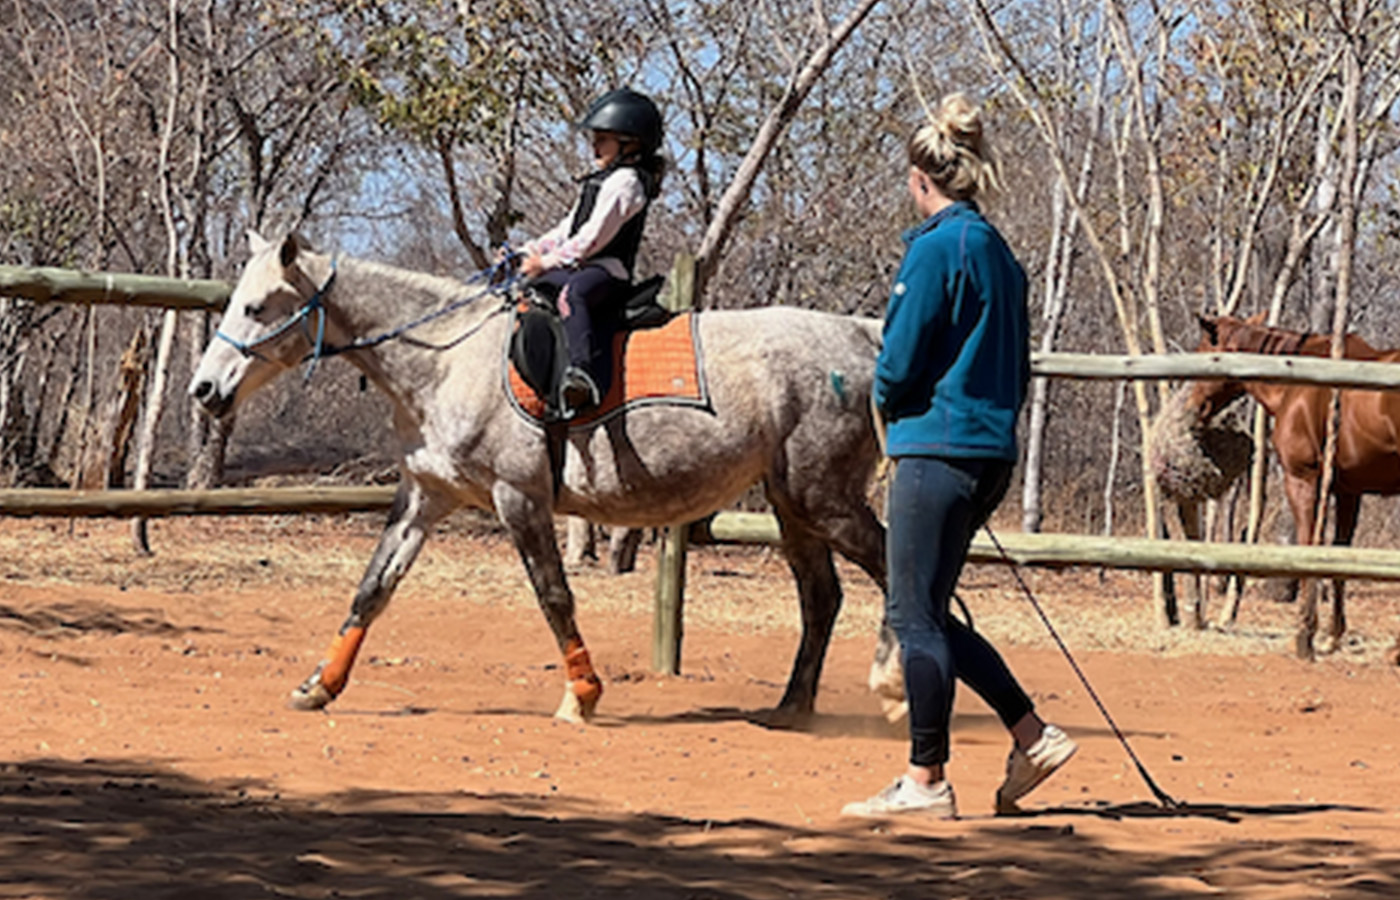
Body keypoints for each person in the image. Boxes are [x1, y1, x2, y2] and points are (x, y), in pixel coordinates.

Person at [842, 93, 1076, 820]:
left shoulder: (935, 248)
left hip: (934, 450)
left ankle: (926, 782)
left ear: (922, 179)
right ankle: (1031, 735)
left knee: (912, 618)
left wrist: (881, 388)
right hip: (987, 453)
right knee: (932, 614)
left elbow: (901, 361)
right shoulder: (1001, 256)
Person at [515, 87, 665, 417]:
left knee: (572, 296)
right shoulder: (602, 180)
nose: (594, 145)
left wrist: (547, 263)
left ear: (631, 143)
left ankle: (581, 374)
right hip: (580, 264)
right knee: (528, 291)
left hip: (606, 272)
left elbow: (591, 240)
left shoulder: (626, 183)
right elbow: (566, 230)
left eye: (603, 138)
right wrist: (526, 252)